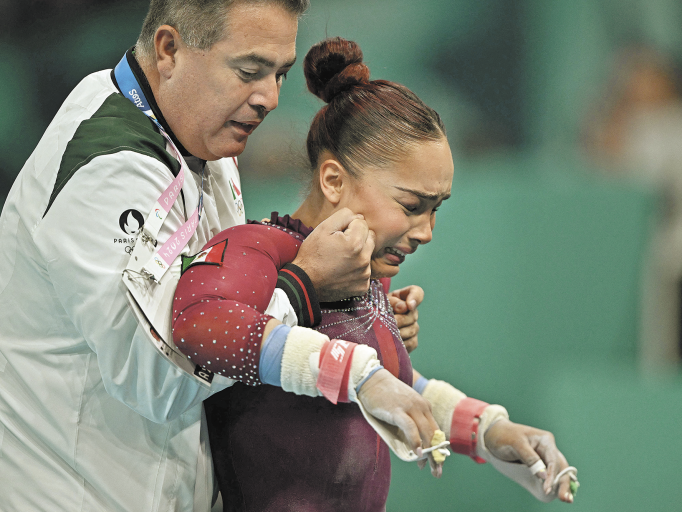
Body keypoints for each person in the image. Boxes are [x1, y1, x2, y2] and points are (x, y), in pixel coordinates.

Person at [0, 2, 433, 511]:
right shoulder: (104, 170)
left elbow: (236, 304)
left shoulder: (204, 138)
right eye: (250, 71)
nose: (270, 98)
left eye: (281, 74)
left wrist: (351, 317)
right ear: (169, 50)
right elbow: (158, 378)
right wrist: (305, 289)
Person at [172, 37, 576, 511]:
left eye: (435, 210)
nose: (426, 232)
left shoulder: (366, 280)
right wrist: (358, 373)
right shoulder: (258, 249)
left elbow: (398, 391)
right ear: (334, 180)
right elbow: (197, 326)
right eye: (411, 206)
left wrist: (490, 430)